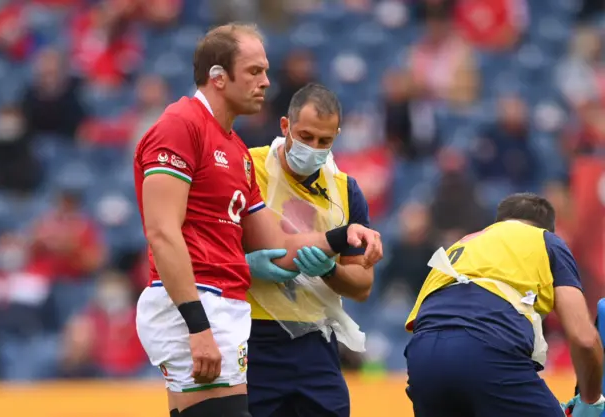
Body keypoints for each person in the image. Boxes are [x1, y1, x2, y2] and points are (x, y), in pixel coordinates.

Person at [133, 24, 383, 417]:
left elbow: (280, 247)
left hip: (228, 310)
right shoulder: (180, 125)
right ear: (218, 77)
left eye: (265, 71)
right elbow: (162, 233)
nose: (266, 82)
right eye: (253, 71)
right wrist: (198, 326)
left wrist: (341, 237)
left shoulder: (234, 151)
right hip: (199, 306)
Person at [403, 192, 604, 417]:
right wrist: (591, 401)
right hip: (487, 347)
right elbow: (584, 338)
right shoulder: (545, 240)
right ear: (546, 228)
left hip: (423, 359)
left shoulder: (460, 247)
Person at [242, 83, 373, 417]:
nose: (314, 148)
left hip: (315, 339)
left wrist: (330, 271)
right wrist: (245, 264)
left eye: (325, 141)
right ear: (285, 126)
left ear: (337, 136)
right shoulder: (246, 168)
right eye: (306, 136)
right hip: (252, 334)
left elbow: (362, 285)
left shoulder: (346, 190)